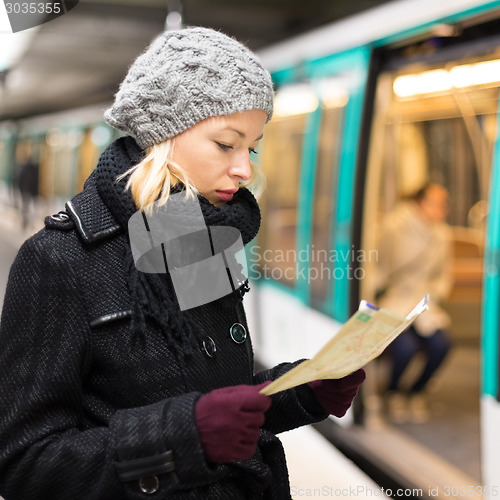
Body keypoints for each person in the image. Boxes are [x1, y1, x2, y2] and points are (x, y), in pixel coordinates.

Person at [0, 27, 365, 500]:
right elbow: (22, 461)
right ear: (163, 134)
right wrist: (182, 439)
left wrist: (297, 392)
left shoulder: (199, 238)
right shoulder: (59, 260)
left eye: (250, 147)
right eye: (226, 144)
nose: (245, 170)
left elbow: (215, 397)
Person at [376, 183, 452, 424]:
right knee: (404, 348)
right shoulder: (395, 226)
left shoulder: (443, 234)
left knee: (442, 345)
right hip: (395, 300)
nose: (442, 209)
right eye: (437, 203)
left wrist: (437, 293)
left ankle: (416, 391)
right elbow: (379, 262)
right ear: (420, 203)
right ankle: (393, 391)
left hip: (425, 304)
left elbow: (444, 273)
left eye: (444, 204)